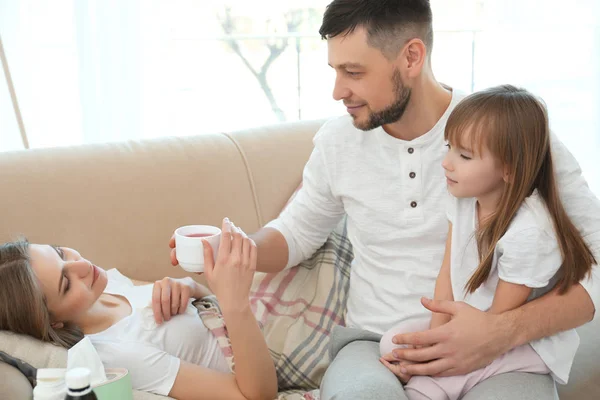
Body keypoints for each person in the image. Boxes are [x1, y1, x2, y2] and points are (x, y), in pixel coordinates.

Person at [168, 1, 600, 399]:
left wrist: (500, 332)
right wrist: (232, 247)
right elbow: (296, 232)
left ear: (411, 57)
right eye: (335, 70)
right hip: (374, 346)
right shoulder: (338, 142)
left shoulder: (512, 136)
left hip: (505, 356)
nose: (338, 91)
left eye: (354, 72)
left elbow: (596, 259)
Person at [379, 85, 596, 399]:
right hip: (474, 321)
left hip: (515, 341)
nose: (446, 162)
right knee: (393, 342)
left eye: (464, 155)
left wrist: (433, 361)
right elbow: (446, 274)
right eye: (449, 147)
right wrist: (436, 339)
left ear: (508, 169)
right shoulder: (463, 197)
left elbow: (496, 326)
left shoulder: (529, 232)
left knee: (425, 383)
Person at [0, 218, 277, 400]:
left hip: (264, 322)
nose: (83, 266)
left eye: (61, 253)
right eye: (66, 283)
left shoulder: (109, 284)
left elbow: (207, 311)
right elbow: (255, 396)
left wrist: (189, 286)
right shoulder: (118, 354)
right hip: (267, 364)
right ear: (54, 322)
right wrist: (235, 303)